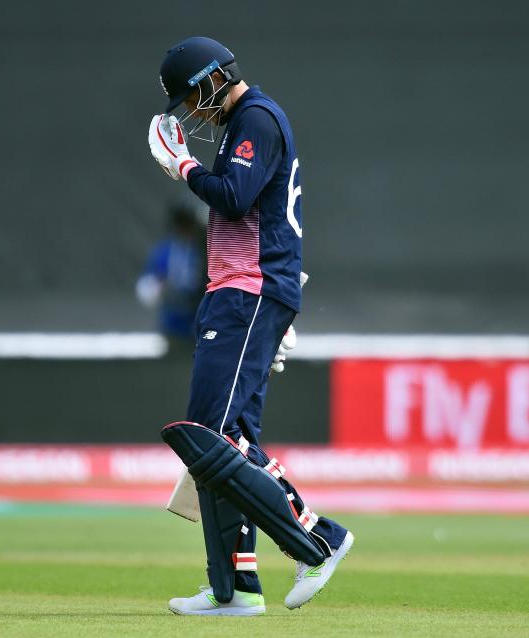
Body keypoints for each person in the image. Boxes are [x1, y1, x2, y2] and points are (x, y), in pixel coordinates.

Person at [147, 36, 354, 616]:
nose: (194, 112)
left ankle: (319, 539)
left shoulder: (256, 118)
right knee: (223, 440)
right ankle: (234, 588)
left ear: (215, 77)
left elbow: (235, 199)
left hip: (249, 292)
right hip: (242, 294)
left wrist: (181, 165)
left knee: (209, 437)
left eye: (193, 98)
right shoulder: (251, 120)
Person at [135, 203, 205, 352]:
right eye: (181, 224)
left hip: (200, 325)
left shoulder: (202, 250)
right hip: (173, 325)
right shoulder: (165, 250)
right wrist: (159, 287)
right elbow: (147, 286)